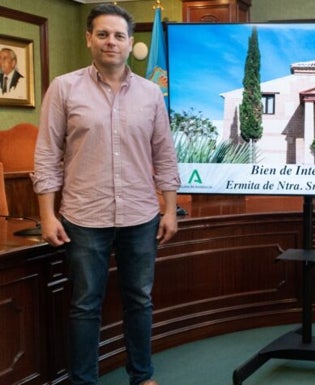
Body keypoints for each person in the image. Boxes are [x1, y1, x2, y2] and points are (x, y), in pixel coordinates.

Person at [32, 4, 180, 385]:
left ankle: (142, 375)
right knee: (84, 306)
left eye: (118, 36)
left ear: (131, 43)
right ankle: (84, 381)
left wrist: (169, 209)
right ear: (89, 39)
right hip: (84, 217)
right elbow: (47, 154)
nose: (110, 42)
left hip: (141, 215)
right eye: (102, 34)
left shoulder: (151, 93)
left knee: (140, 301)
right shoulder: (64, 88)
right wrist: (47, 215)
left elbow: (164, 153)